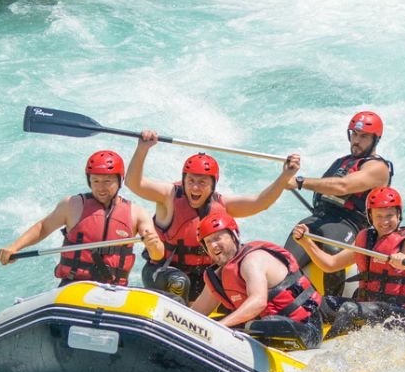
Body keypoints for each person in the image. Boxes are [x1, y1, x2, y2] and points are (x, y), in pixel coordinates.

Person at [126, 129, 300, 301]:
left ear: (212, 185)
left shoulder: (222, 205)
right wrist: (143, 148)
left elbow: (260, 203)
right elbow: (134, 183)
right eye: (191, 181)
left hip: (202, 277)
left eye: (202, 182)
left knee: (238, 275)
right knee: (179, 283)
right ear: (184, 180)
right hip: (164, 272)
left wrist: (285, 176)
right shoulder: (168, 196)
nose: (195, 187)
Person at [291, 187, 405, 337]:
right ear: (370, 217)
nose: (384, 221)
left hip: (403, 315)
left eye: (389, 215)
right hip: (369, 307)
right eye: (379, 216)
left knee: (351, 310)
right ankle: (303, 338)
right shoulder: (366, 240)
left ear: (398, 215)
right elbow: (330, 265)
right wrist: (306, 242)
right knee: (315, 303)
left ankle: (327, 348)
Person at [0, 150, 163, 286]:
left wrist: (153, 245)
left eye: (107, 181)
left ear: (119, 181)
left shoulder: (137, 213)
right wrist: (14, 247)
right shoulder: (72, 205)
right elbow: (43, 228)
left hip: (114, 290)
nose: (101, 188)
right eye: (95, 181)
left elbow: (157, 255)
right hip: (74, 284)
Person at [283, 110, 393, 294]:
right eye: (354, 134)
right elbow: (324, 186)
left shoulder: (379, 168)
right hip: (318, 218)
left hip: (349, 225)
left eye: (363, 136)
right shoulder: (342, 161)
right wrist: (288, 174)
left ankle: (331, 310)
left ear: (376, 139)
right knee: (284, 263)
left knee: (332, 248)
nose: (356, 141)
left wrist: (300, 181)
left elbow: (343, 186)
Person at [190, 213, 324, 350]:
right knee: (205, 325)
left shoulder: (252, 260)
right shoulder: (217, 277)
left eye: (218, 238)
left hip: (306, 328)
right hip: (264, 324)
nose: (213, 245)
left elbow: (258, 302)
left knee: (258, 326)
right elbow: (196, 314)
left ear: (234, 235)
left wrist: (221, 327)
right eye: (208, 242)